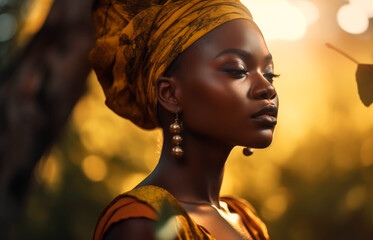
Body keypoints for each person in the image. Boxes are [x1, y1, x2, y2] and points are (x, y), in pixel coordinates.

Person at [89, 0, 279, 239]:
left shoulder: (245, 220)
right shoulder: (144, 223)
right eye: (237, 70)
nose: (267, 88)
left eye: (270, 75)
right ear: (170, 94)